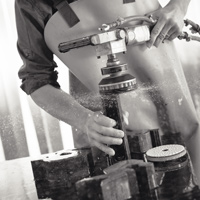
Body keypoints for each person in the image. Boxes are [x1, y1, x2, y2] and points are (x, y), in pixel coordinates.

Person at [15, 0, 200, 183]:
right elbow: (36, 80)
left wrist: (178, 6)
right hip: (104, 125)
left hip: (173, 101)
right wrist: (84, 119)